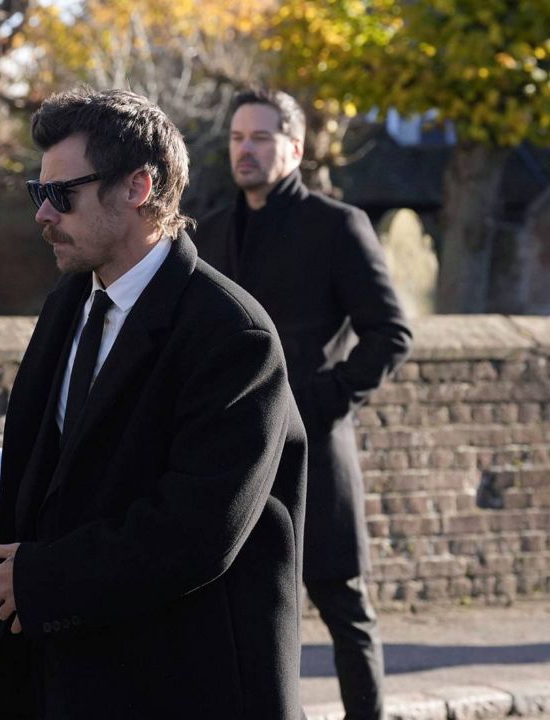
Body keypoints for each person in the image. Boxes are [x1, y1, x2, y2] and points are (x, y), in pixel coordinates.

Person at [0, 88, 307, 719]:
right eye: (37, 193)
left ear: (137, 187)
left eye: (61, 194)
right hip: (63, 673)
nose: (43, 215)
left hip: (178, 684)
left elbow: (202, 528)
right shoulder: (68, 303)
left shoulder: (232, 333)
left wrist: (47, 578)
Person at [193, 87, 413, 720]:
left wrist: (324, 397)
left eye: (261, 138)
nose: (246, 150)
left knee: (344, 606)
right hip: (238, 454)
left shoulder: (337, 225)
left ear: (294, 146)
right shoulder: (210, 229)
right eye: (238, 138)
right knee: (249, 610)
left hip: (316, 445)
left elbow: (390, 333)